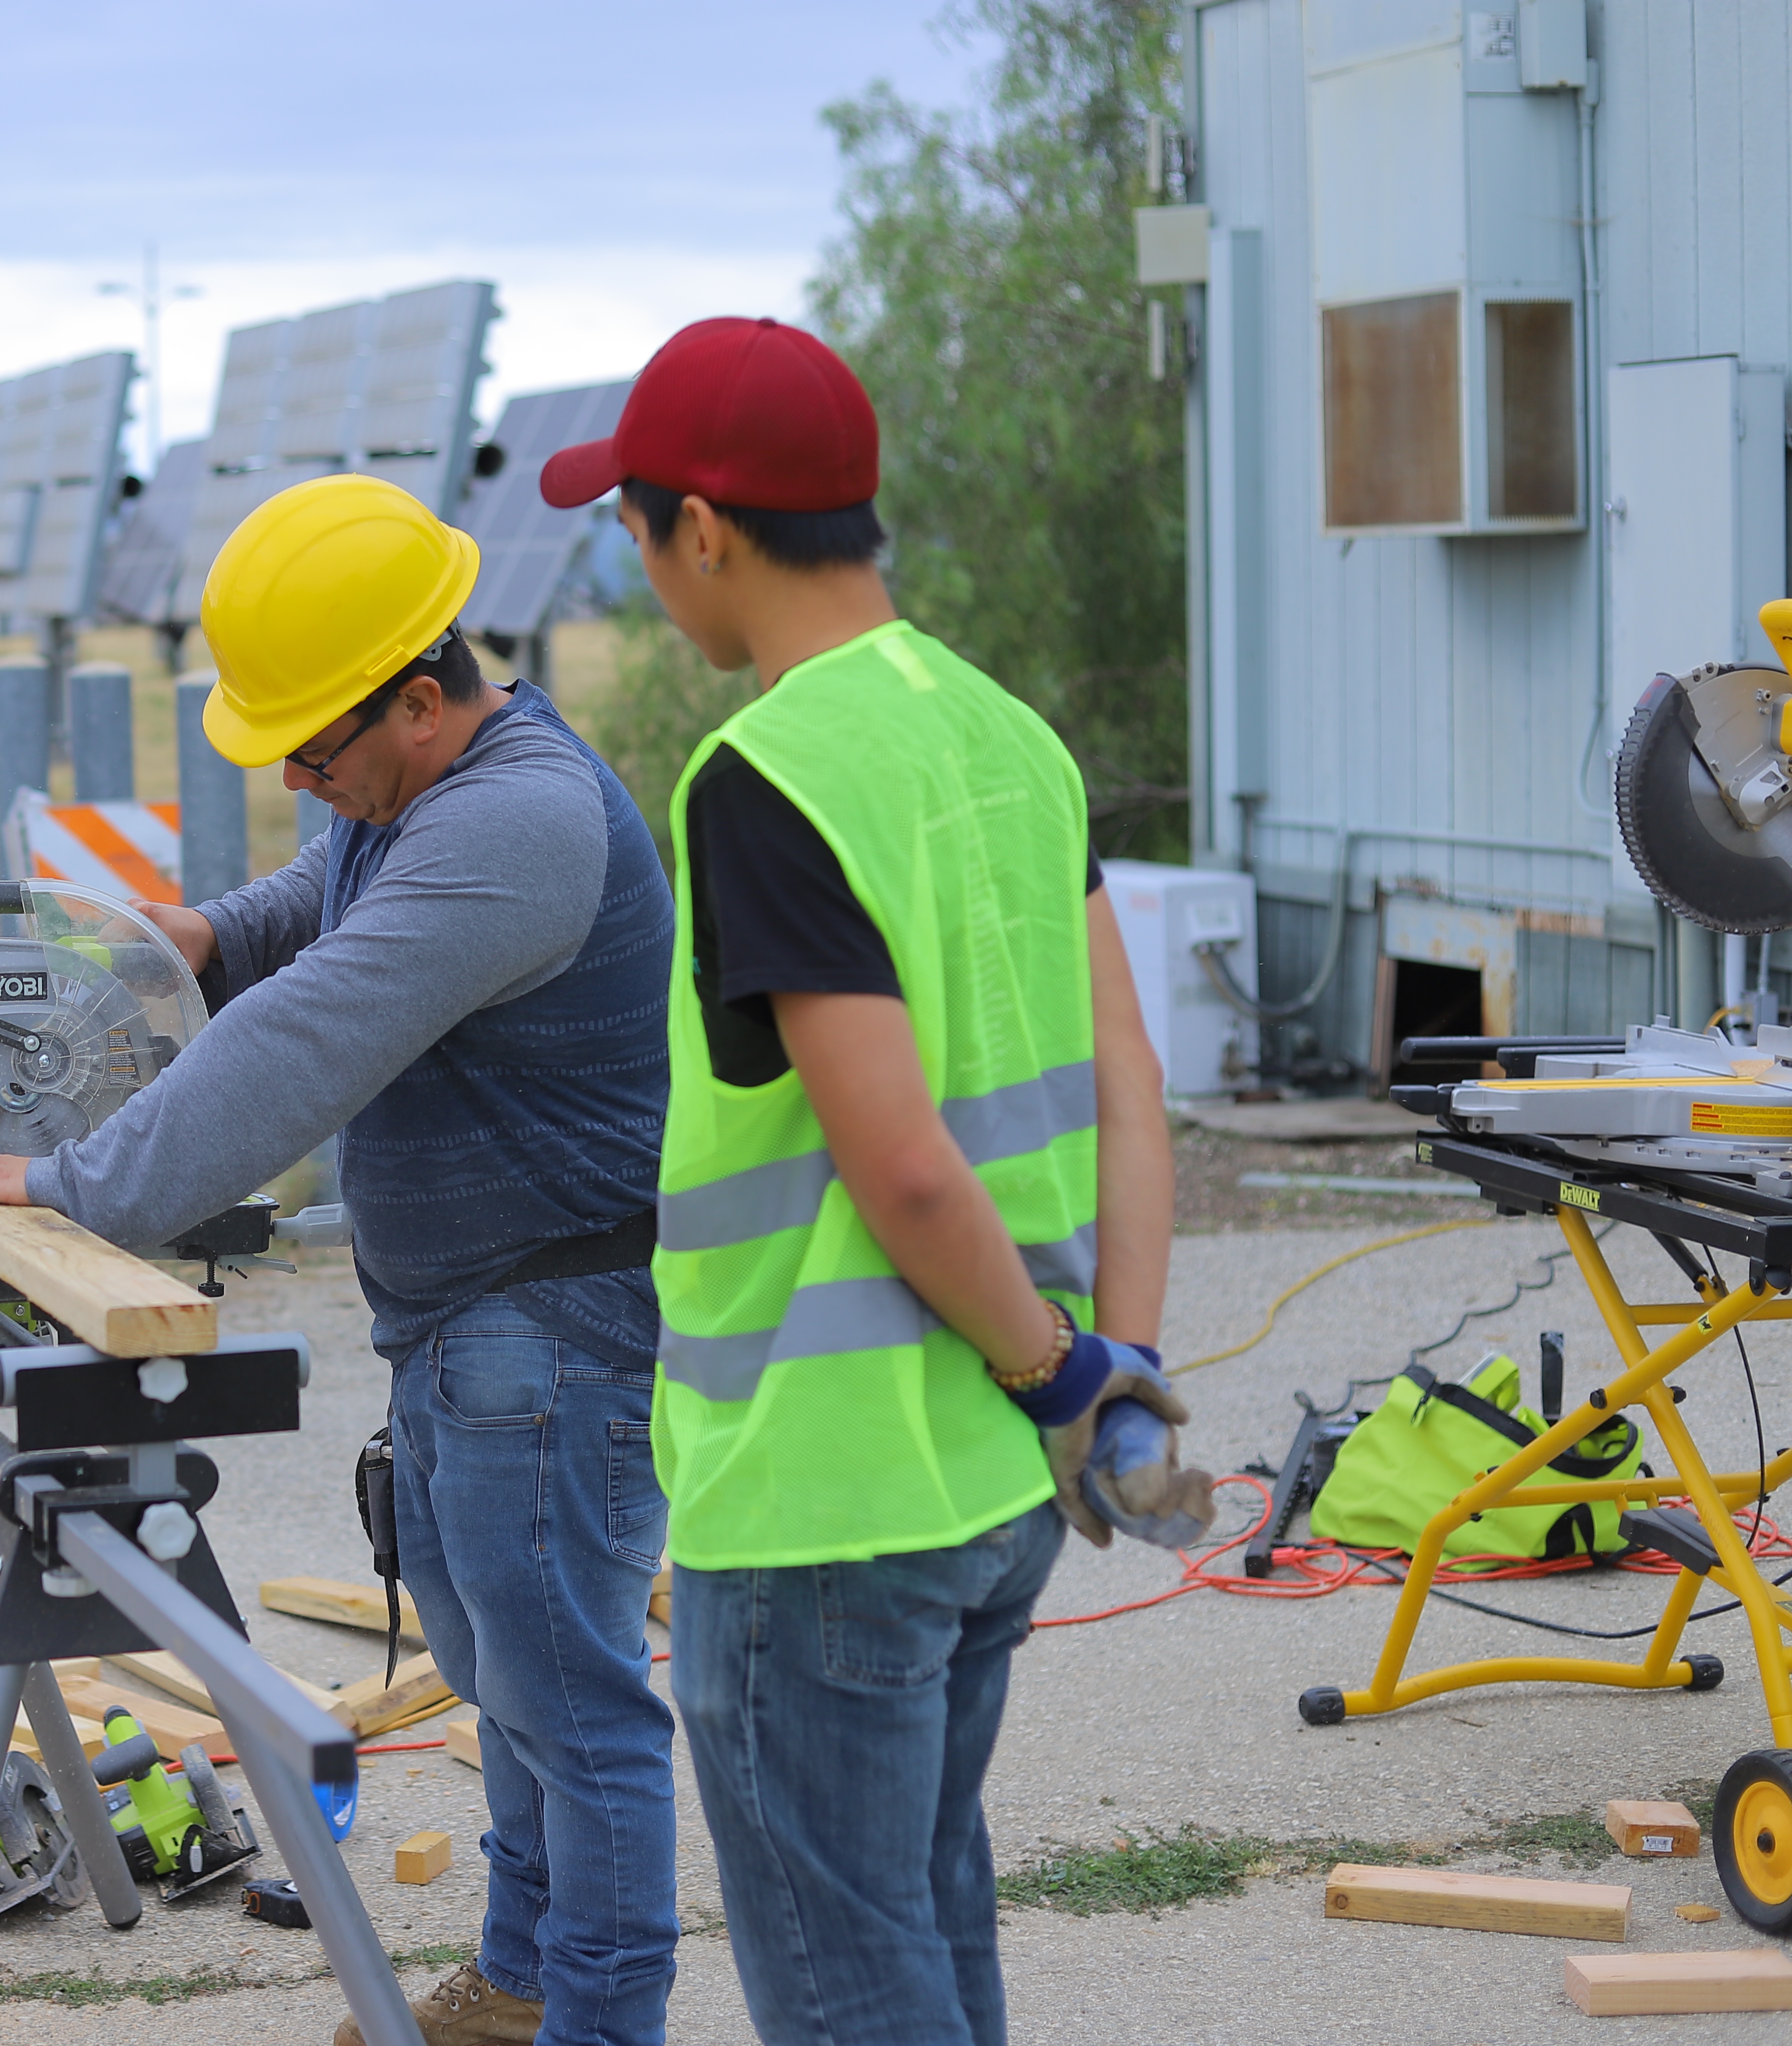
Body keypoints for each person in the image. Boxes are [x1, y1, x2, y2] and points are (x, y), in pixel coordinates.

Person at [0, 472, 679, 2046]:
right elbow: (327, 901)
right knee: (502, 1675)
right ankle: (525, 1982)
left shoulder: (522, 824)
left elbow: (308, 1038)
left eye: (313, 753)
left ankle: (598, 2023)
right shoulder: (424, 795)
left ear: (420, 700)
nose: (299, 779)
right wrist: (199, 935)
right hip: (478, 1321)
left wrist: (70, 1187)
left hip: (545, 1319)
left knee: (571, 1703)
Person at [538, 317, 1177, 2045]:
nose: (642, 557)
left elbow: (894, 1170)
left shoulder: (766, 776)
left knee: (842, 1974)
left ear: (711, 532)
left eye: (639, 522)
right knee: (924, 1913)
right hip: (990, 1492)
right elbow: (1132, 1089)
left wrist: (1056, 1367)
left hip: (827, 1502)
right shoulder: (1009, 738)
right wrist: (1115, 1376)